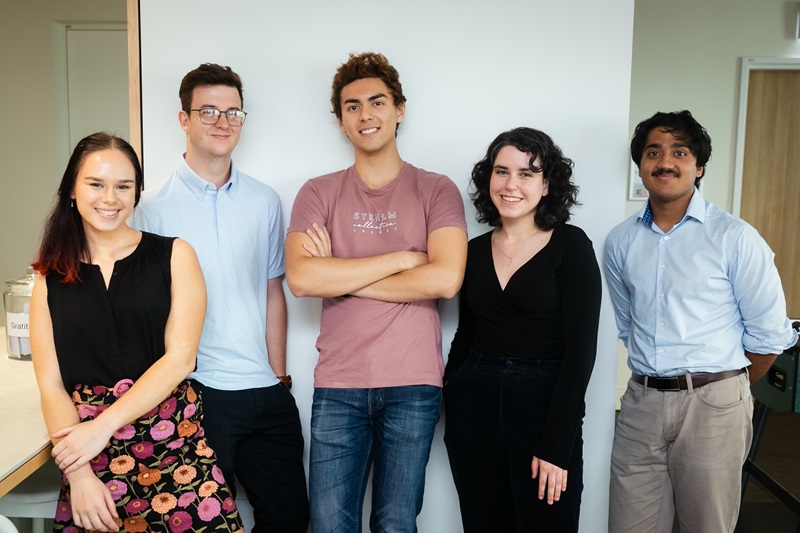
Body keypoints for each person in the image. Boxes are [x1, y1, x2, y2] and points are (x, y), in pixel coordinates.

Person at [285, 52, 468, 532]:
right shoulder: (317, 193)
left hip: (413, 384)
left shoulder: (436, 189)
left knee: (395, 523)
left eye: (377, 102)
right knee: (328, 525)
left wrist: (339, 271)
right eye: (352, 106)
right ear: (341, 121)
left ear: (399, 109)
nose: (365, 115)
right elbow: (302, 280)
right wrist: (403, 259)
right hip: (338, 385)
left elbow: (446, 280)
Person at [29, 132, 243, 532]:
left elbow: (180, 359)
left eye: (123, 186)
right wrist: (78, 477)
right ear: (72, 189)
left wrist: (103, 426)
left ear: (136, 192)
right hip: (88, 457)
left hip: (175, 450)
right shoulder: (48, 278)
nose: (109, 198)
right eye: (96, 184)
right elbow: (51, 386)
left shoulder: (175, 255)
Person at [132, 63, 309, 532]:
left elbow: (273, 290)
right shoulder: (149, 208)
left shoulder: (265, 200)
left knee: (290, 520)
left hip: (265, 392)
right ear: (183, 119)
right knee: (198, 525)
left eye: (233, 112)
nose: (222, 121)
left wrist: (279, 376)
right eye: (208, 110)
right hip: (195, 392)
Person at [605, 110, 799, 532]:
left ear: (699, 166)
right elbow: (628, 324)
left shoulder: (735, 238)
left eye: (680, 151)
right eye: (653, 152)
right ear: (641, 165)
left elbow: (769, 337)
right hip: (641, 403)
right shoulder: (620, 241)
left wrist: (726, 389)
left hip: (714, 404)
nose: (665, 162)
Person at [443, 127, 601, 532]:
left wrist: (557, 444)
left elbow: (581, 353)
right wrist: (449, 395)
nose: (511, 184)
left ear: (547, 185)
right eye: (501, 171)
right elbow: (466, 334)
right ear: (488, 179)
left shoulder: (571, 245)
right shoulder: (473, 250)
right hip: (474, 407)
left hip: (542, 407)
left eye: (527, 174)